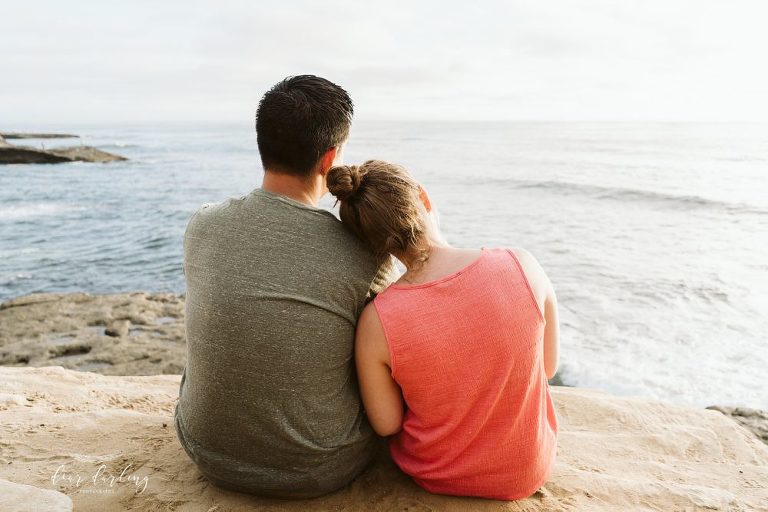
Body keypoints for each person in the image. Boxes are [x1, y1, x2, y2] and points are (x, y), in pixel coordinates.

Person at [174, 76, 397, 499]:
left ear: (262, 143)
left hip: (206, 451)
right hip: (319, 469)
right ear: (330, 158)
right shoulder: (365, 255)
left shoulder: (202, 224)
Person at [326, 160, 560, 500]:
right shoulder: (521, 263)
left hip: (438, 476)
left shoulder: (376, 321)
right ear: (424, 197)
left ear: (371, 243)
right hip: (526, 474)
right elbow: (547, 366)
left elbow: (387, 423)